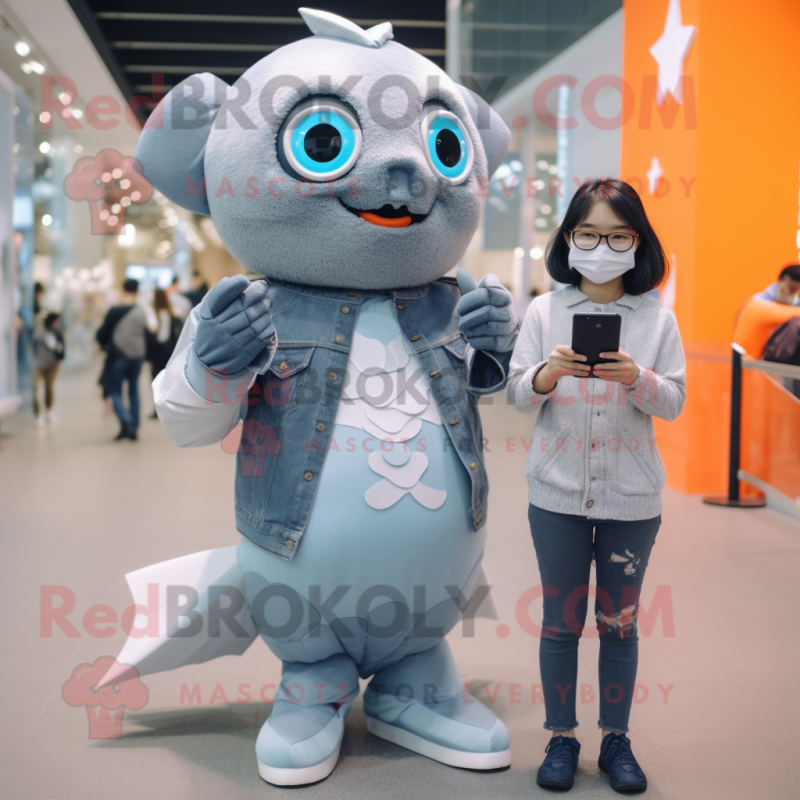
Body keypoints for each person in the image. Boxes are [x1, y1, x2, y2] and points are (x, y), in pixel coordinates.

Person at [508, 178, 686, 793]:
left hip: (632, 502)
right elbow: (512, 393)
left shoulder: (657, 319)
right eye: (588, 233)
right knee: (560, 623)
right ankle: (561, 738)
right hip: (554, 495)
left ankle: (616, 739)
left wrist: (638, 378)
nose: (602, 246)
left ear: (639, 243)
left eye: (617, 235)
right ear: (569, 239)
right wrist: (545, 374)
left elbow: (674, 403)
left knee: (620, 623)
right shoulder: (543, 310)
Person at [96, 278, 147, 441]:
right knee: (133, 389)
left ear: (122, 290)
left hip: (119, 354)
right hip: (138, 355)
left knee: (114, 389)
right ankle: (134, 426)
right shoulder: (141, 311)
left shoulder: (115, 310)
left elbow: (102, 333)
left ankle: (125, 421)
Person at [144, 288, 183, 418]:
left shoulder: (152, 314)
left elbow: (153, 336)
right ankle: (169, 407)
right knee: (168, 382)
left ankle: (158, 409)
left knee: (156, 381)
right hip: (169, 351)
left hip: (157, 352)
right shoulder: (171, 314)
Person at [33, 312, 65, 427]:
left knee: (49, 387)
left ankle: (49, 410)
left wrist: (60, 358)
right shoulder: (39, 333)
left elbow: (61, 349)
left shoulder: (57, 333)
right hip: (38, 364)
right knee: (36, 389)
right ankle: (38, 415)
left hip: (52, 364)